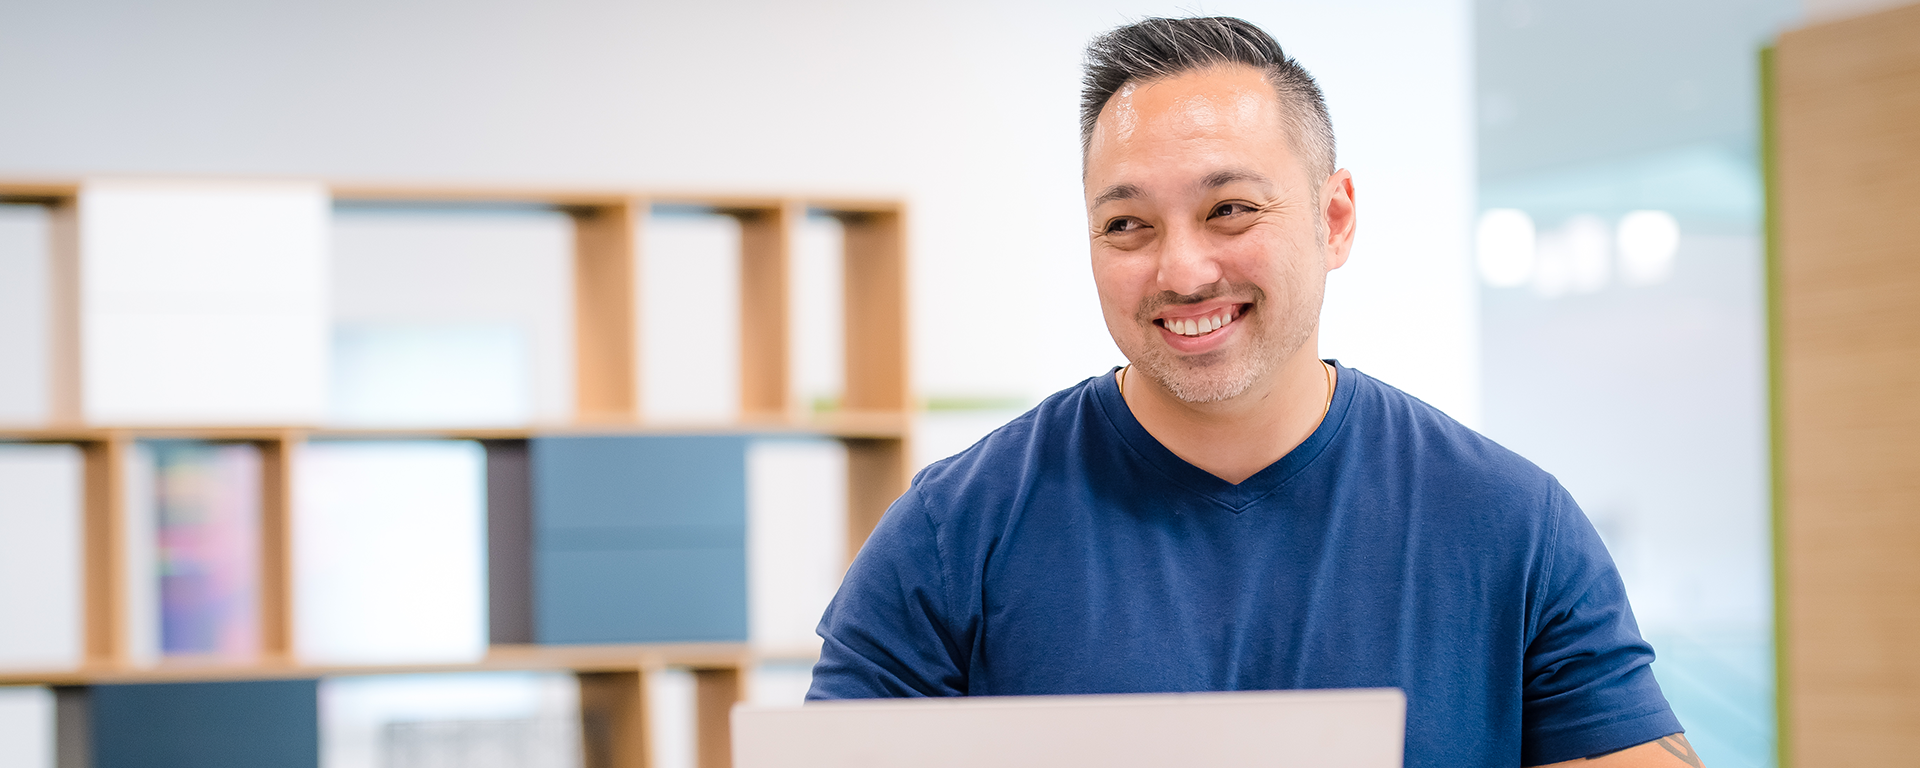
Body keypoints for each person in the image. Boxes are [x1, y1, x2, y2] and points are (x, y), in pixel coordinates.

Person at [808, 16, 1702, 768]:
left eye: (1230, 209)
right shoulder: (953, 533)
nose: (1182, 269)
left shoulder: (1511, 524)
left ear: (1334, 217)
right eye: (1128, 225)